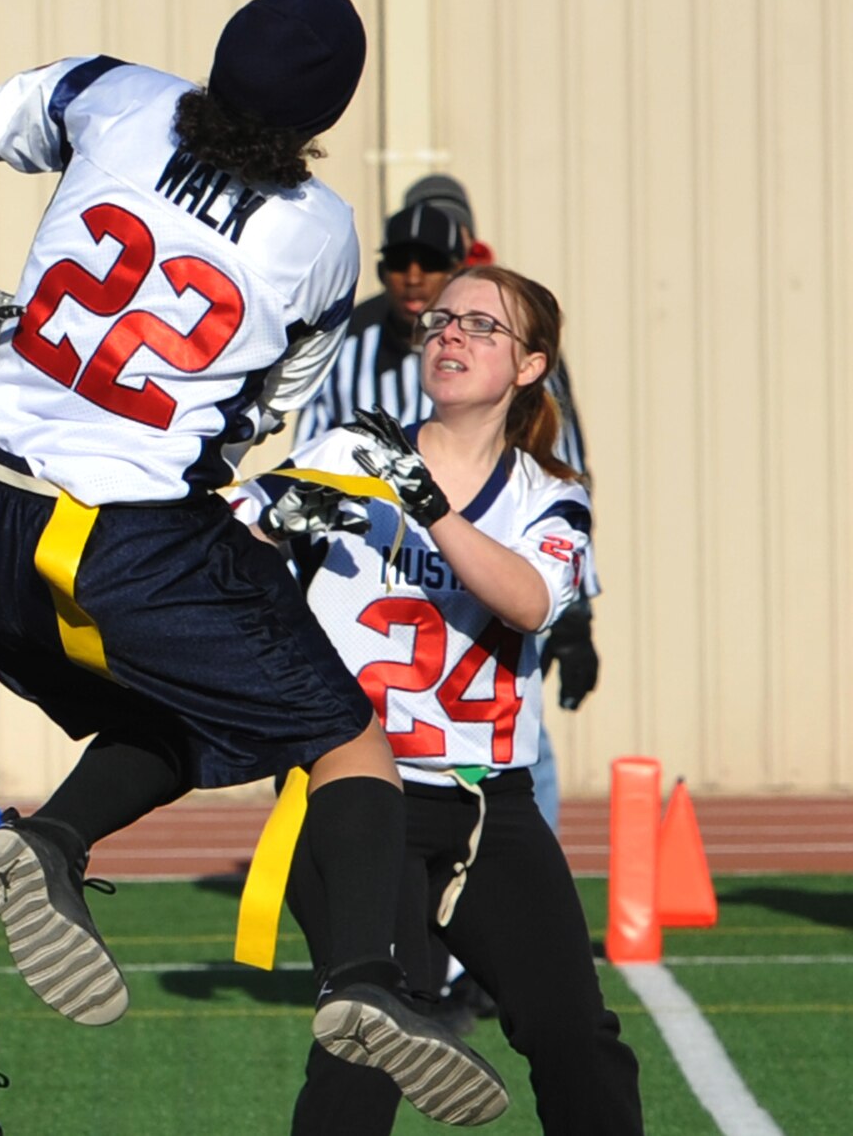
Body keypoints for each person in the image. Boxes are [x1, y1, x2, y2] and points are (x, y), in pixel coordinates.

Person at [0, 0, 507, 1124]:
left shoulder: (121, 96)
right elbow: (256, 421)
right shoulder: (319, 232)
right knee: (344, 737)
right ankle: (365, 977)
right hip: (128, 541)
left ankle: (55, 841)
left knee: (200, 714)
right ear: (326, 109)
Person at [242, 265, 642, 1132]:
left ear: (531, 366)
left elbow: (530, 600)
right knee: (374, 1042)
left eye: (482, 326)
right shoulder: (350, 450)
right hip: (358, 799)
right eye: (444, 319)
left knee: (576, 1034)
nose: (450, 332)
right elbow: (235, 527)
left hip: (486, 803)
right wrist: (268, 518)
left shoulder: (550, 493)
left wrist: (428, 508)